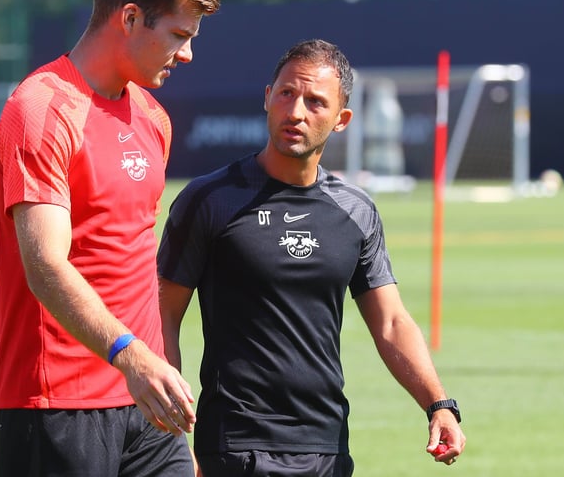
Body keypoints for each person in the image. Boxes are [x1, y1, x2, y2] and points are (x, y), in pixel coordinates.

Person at [157, 39, 466, 477]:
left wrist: (439, 404)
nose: (296, 112)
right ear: (267, 97)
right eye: (286, 94)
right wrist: (173, 439)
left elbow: (391, 323)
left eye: (315, 102)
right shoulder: (209, 200)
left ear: (341, 120)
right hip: (236, 446)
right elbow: (161, 316)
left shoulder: (356, 211)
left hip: (327, 447)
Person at [0, 0, 220, 476]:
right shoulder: (41, 109)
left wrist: (157, 368)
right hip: (56, 405)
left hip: (145, 402)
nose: (187, 54)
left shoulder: (154, 119)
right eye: (179, 35)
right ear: (131, 17)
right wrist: (132, 355)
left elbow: (136, 261)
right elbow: (46, 265)